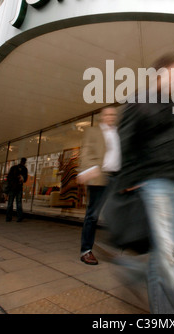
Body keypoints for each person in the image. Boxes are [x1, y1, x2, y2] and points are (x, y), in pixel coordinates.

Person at [115, 54, 174, 314]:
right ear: (161, 72)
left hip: (172, 184)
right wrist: (130, 178)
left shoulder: (173, 106)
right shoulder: (140, 100)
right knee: (166, 255)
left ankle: (134, 270)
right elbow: (124, 139)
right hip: (151, 183)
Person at [77, 106, 121, 265]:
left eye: (113, 114)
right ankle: (86, 251)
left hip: (117, 178)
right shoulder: (93, 132)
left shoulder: (118, 133)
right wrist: (89, 169)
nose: (110, 116)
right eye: (107, 114)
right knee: (93, 215)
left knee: (117, 213)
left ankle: (113, 249)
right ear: (102, 117)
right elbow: (86, 152)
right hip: (99, 176)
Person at [6, 158, 28, 222]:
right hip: (18, 188)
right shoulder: (24, 169)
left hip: (13, 187)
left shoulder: (14, 168)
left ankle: (8, 217)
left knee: (10, 203)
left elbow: (9, 177)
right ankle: (19, 217)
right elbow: (25, 179)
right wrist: (21, 178)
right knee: (18, 203)